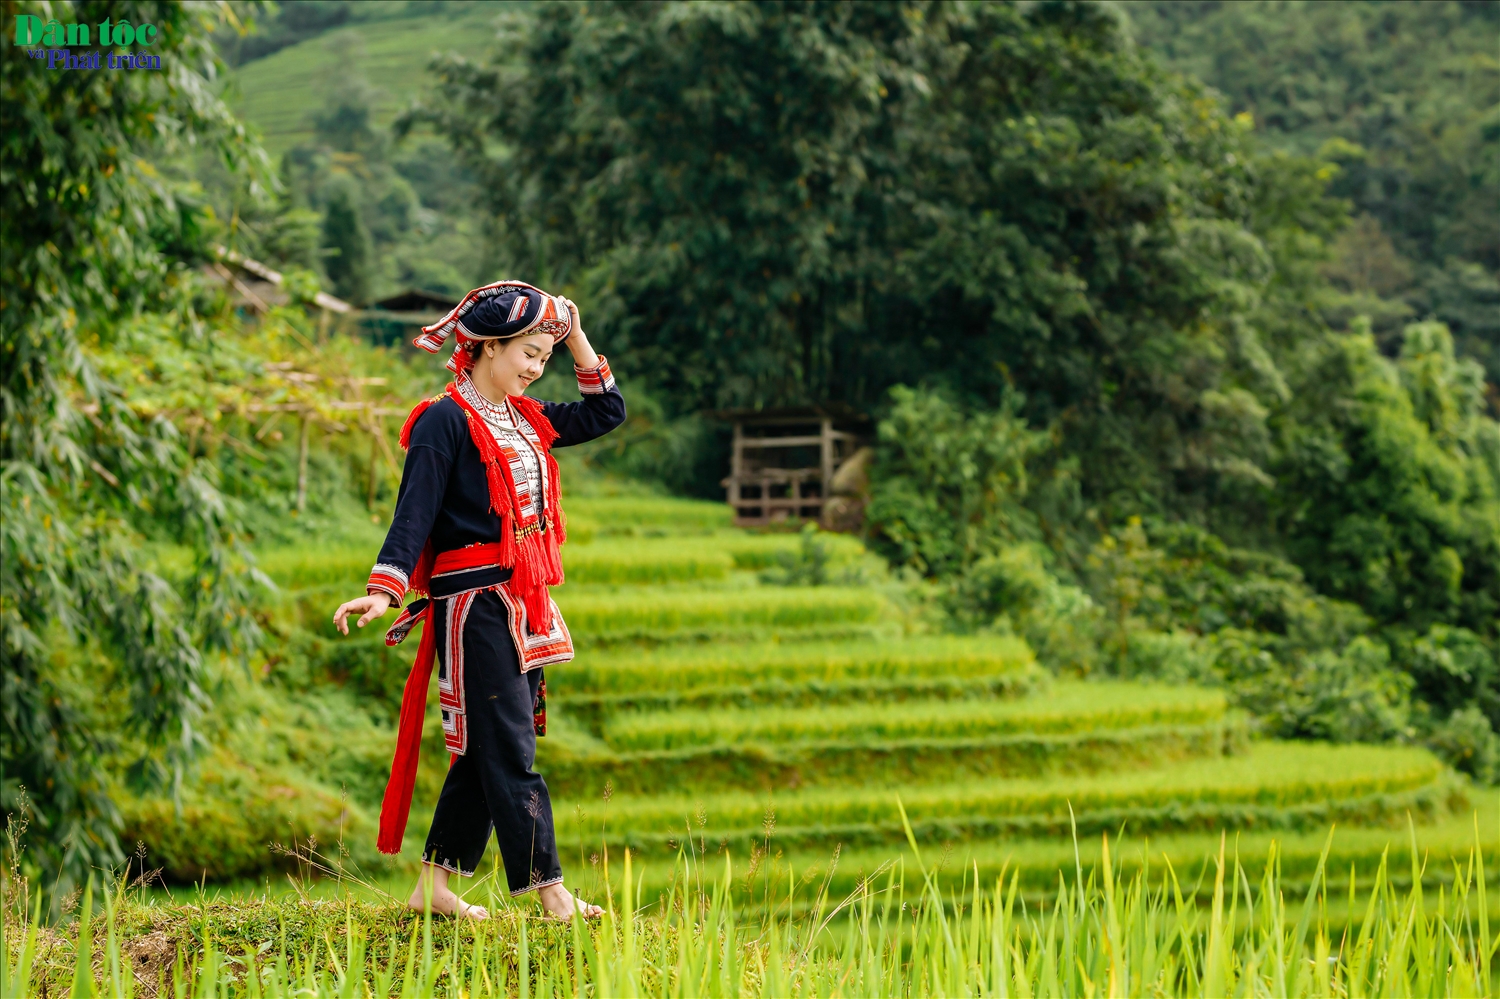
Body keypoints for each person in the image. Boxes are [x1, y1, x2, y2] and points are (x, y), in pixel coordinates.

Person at [333, 282, 623, 920]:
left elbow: (606, 412)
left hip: (524, 604)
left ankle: (432, 888)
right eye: (526, 352)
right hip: (474, 605)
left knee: (485, 747)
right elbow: (415, 513)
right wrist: (384, 589)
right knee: (511, 746)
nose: (534, 367)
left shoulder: (528, 417)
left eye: (543, 357)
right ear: (487, 345)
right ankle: (549, 892)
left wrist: (571, 331)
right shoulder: (443, 418)